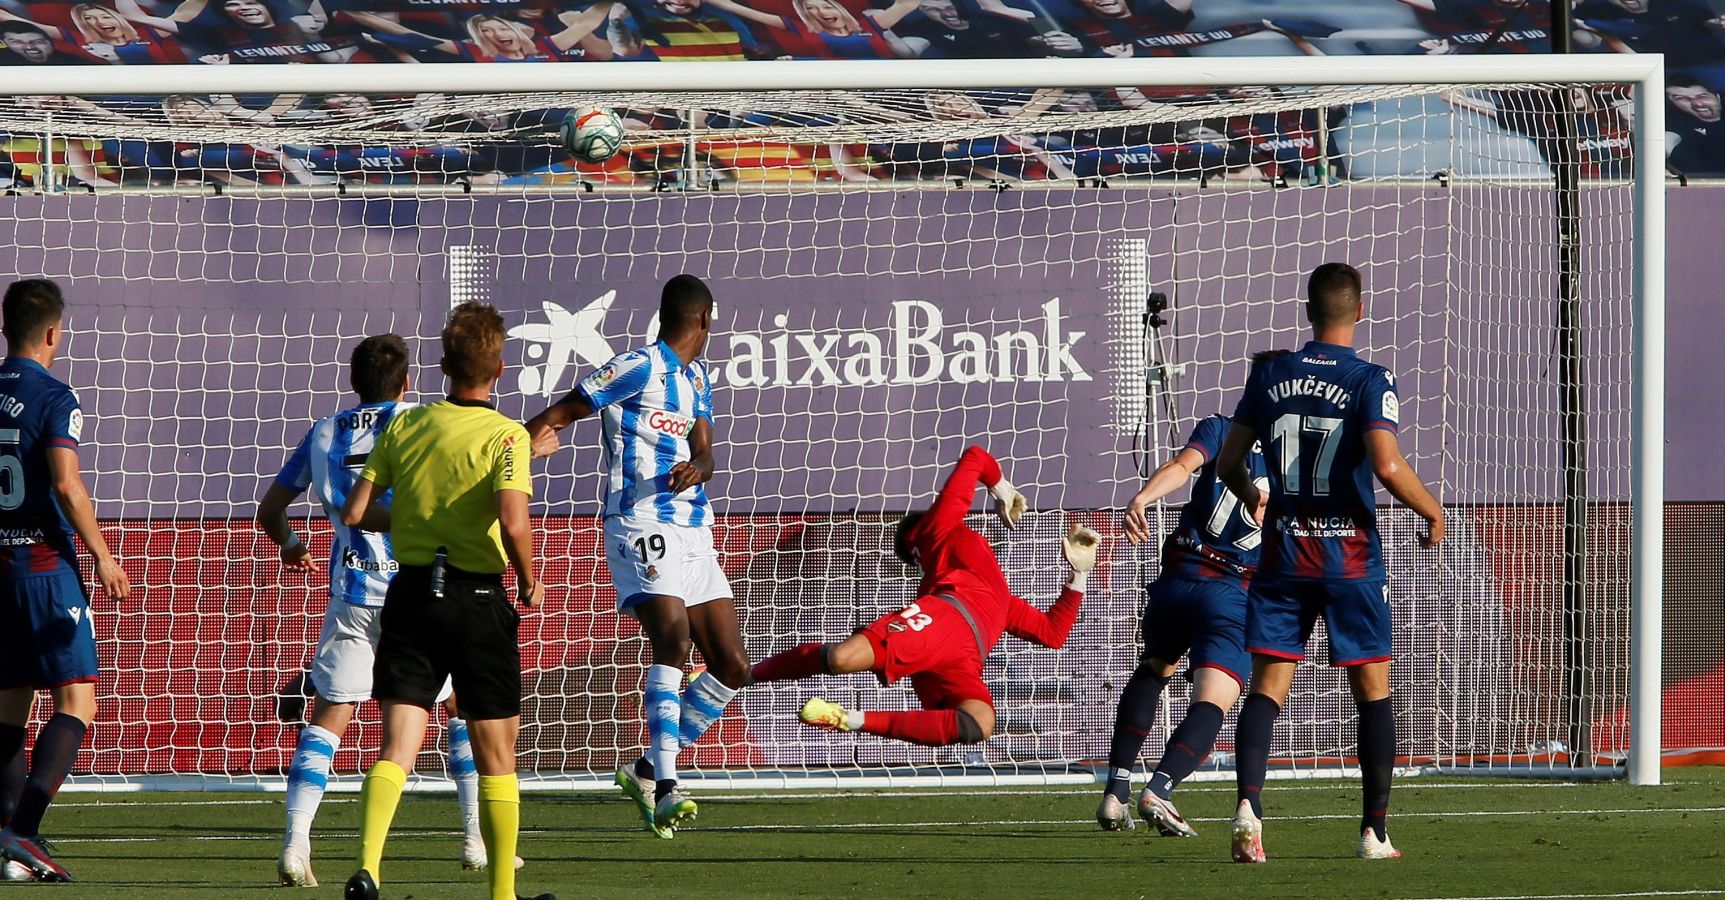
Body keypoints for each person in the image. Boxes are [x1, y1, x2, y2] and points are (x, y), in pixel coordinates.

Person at [258, 335, 510, 887]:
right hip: (419, 590)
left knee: (329, 718)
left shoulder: (323, 431)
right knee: (458, 713)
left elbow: (271, 509)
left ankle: (296, 844)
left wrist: (291, 545)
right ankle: (476, 839)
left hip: (353, 593)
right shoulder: (419, 423)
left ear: (354, 383)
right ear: (405, 383)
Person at [1214, 263, 1444, 864]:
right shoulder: (1370, 378)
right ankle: (1374, 832)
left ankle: (1248, 810)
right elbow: (1388, 467)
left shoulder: (1270, 374)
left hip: (1285, 549)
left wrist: (1251, 492)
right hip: (1349, 555)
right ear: (1359, 311)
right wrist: (1433, 512)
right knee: (1372, 690)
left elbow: (1228, 463)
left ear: (1309, 311)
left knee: (1267, 685)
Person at [339, 303, 552, 900]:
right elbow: (513, 521)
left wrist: (413, 517)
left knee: (398, 742)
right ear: (500, 369)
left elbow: (358, 512)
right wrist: (530, 577)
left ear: (441, 366)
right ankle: (503, 893)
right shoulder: (508, 436)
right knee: (495, 751)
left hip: (409, 593)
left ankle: (369, 870)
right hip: (476, 597)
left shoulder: (404, 426)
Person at [523, 274, 749, 839]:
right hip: (638, 522)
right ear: (707, 319)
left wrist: (700, 469)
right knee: (674, 640)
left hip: (695, 531)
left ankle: (645, 769)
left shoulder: (697, 377)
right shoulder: (636, 367)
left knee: (731, 664)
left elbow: (706, 451)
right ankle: (668, 784)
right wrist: (512, 455)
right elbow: (560, 413)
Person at [750, 445, 1098, 751]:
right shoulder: (939, 530)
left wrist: (1079, 574)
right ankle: (746, 674)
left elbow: (1053, 634)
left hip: (962, 655)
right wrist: (1000, 487)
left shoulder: (999, 597)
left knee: (979, 723)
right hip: (946, 620)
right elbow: (976, 456)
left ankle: (849, 719)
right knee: (842, 658)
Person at [1098, 358, 1277, 836]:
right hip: (1230, 592)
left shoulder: (1220, 428)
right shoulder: (1296, 455)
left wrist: (1141, 498)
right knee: (1215, 700)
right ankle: (1160, 786)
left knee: (1155, 667)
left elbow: (1181, 467)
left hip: (1175, 579)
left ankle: (1115, 792)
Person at [0, 279, 130, 883]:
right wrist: (103, 555)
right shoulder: (56, 396)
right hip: (45, 568)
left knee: (9, 704)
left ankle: (6, 839)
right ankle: (22, 831)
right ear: (53, 332)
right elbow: (66, 484)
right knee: (78, 698)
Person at [699, 0, 922, 59]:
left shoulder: (871, 24)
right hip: (840, 91)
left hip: (885, 87)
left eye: (825, 5)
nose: (819, 11)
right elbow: (742, 10)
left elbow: (907, 4)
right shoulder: (802, 29)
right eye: (811, 8)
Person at [606, 0, 759, 61]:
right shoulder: (641, 15)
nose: (678, 1)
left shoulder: (728, 17)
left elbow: (753, 55)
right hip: (672, 97)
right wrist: (616, 21)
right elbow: (625, 50)